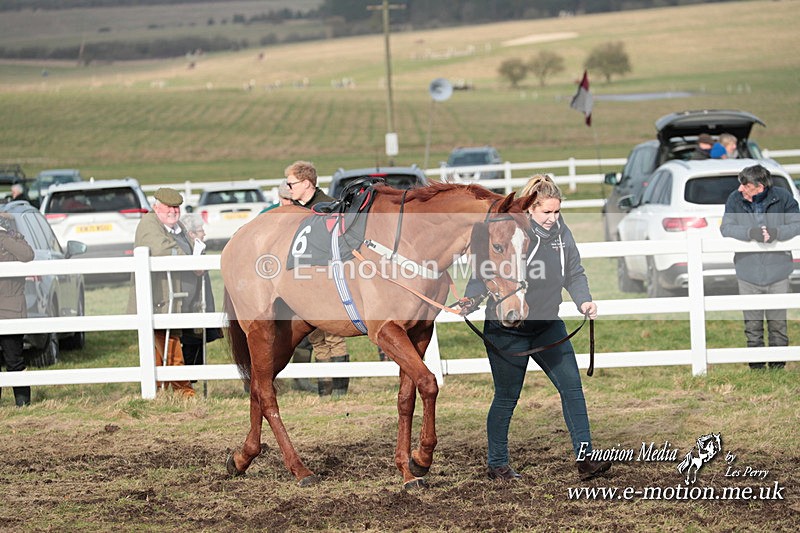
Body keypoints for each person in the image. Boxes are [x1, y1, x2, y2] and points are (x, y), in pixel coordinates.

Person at [460, 174, 610, 481]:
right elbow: (485, 269)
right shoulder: (509, 230)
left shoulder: (561, 234)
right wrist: (472, 298)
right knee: (506, 397)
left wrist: (584, 300)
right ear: (530, 209)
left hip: (547, 325)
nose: (553, 218)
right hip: (507, 329)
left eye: (557, 211)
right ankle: (497, 464)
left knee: (572, 389)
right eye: (547, 212)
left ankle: (586, 460)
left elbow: (574, 272)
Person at [720, 164, 800, 370]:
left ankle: (777, 367)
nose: (740, 188)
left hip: (778, 271)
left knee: (778, 323)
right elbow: (726, 228)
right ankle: (756, 367)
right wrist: (750, 233)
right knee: (752, 324)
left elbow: (797, 223)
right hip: (747, 271)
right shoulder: (735, 199)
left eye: (745, 185)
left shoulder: (782, 197)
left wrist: (776, 233)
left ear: (759, 186)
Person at [285, 160, 350, 396]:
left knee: (333, 336)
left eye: (291, 183)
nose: (289, 188)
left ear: (306, 183)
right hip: (303, 284)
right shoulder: (292, 210)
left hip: (327, 282)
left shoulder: (329, 206)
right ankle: (325, 388)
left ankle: (340, 390)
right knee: (316, 338)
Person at [126, 187, 196, 397]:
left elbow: (189, 245)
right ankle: (184, 391)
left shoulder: (176, 225)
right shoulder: (149, 224)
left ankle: (160, 388)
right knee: (167, 339)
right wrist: (190, 259)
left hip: (175, 296)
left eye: (176, 207)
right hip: (158, 296)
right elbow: (162, 250)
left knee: (163, 342)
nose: (173, 211)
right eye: (169, 207)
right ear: (156, 207)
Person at [178, 213, 223, 373]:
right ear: (191, 234)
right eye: (200, 230)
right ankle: (188, 377)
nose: (204, 233)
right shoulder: (190, 249)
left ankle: (192, 376)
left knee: (197, 343)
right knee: (191, 343)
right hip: (192, 304)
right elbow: (197, 271)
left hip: (199, 302)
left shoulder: (197, 247)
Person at [0, 214, 35, 407]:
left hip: (11, 311)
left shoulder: (12, 240)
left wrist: (4, 236)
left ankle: (23, 404)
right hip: (10, 308)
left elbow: (27, 255)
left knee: (14, 360)